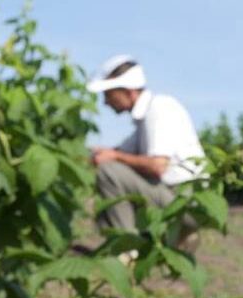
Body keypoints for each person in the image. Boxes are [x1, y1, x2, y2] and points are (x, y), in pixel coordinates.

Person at [87, 55, 206, 256]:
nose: (105, 102)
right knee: (113, 169)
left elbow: (157, 166)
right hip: (176, 198)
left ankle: (126, 251)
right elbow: (117, 151)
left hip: (187, 202)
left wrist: (113, 157)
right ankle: (153, 241)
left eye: (108, 94)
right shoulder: (143, 121)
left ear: (128, 91)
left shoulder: (158, 109)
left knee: (109, 172)